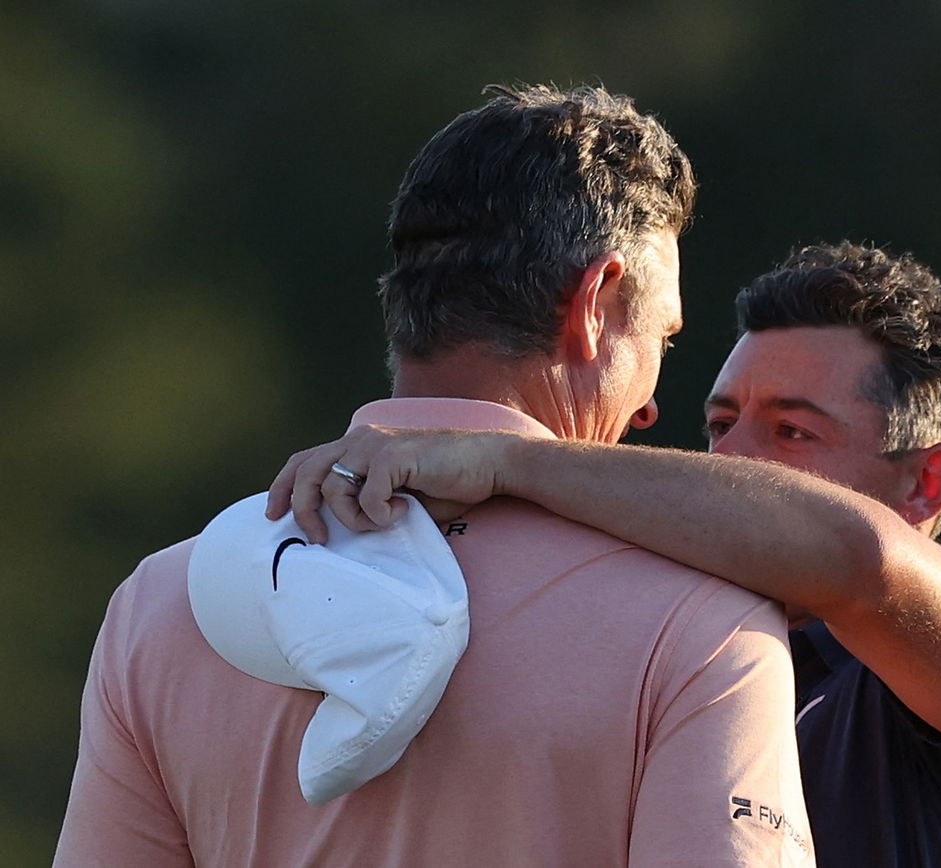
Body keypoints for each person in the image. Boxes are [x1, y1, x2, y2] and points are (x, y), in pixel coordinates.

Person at [55, 84, 815, 867]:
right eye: (662, 337)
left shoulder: (161, 605)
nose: (651, 407)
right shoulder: (706, 623)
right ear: (594, 304)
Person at [270, 241, 941, 867]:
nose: (730, 459)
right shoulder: (698, 643)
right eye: (720, 424)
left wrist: (504, 460)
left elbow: (861, 559)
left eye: (792, 431)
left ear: (926, 483)